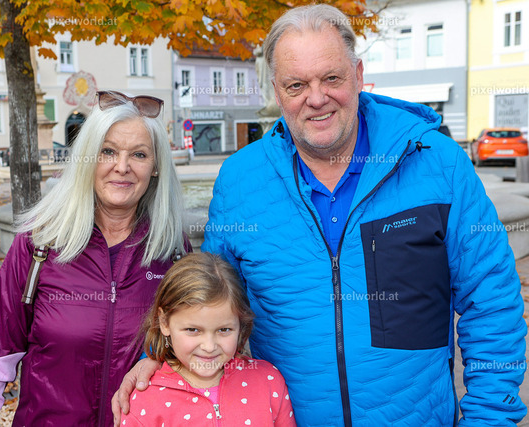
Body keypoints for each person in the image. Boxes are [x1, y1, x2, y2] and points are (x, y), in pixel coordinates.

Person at [113, 5, 527, 426]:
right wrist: (158, 357)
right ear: (277, 92)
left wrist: (489, 418)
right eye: (296, 85)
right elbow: (207, 297)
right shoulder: (240, 180)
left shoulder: (437, 162)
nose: (316, 98)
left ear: (358, 75)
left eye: (331, 78)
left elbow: (491, 300)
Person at [0, 90, 189, 426]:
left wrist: (162, 358)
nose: (122, 167)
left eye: (139, 154)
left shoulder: (173, 249)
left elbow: (195, 343)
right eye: (107, 151)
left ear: (156, 167)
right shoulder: (39, 242)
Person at [120, 252, 296, 426]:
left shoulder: (268, 382)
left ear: (240, 325)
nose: (209, 346)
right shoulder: (145, 400)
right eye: (193, 330)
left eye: (224, 330)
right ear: (164, 322)